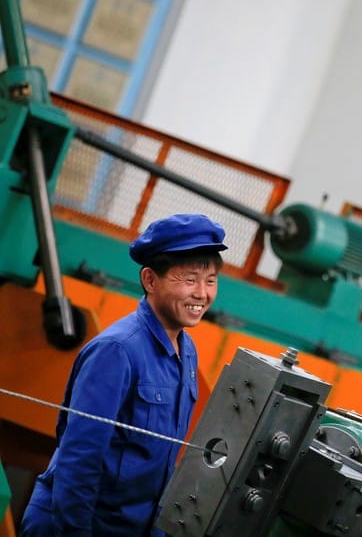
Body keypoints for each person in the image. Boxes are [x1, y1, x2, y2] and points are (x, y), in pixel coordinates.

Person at [20, 213, 227, 536]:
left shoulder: (186, 352)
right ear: (150, 280)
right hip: (76, 525)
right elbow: (80, 458)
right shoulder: (117, 350)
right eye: (189, 280)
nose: (202, 293)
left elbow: (161, 461)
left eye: (210, 281)